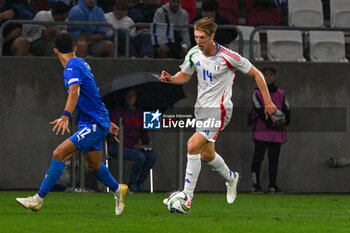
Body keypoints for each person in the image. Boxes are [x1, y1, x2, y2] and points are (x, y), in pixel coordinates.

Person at [161, 17, 277, 205]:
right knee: (206, 155)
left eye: (202, 38)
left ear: (212, 36)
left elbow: (257, 73)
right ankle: (231, 178)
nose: (198, 41)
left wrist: (268, 101)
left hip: (220, 110)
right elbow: (185, 75)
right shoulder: (193, 53)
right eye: (196, 37)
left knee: (192, 145)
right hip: (201, 109)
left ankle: (186, 197)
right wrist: (171, 79)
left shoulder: (228, 57)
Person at [16, 33, 128, 216]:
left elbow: (75, 92)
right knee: (93, 165)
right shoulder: (82, 63)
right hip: (94, 121)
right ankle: (118, 189)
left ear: (55, 51)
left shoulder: (71, 67)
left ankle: (37, 200)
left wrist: (65, 115)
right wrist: (106, 122)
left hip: (92, 124)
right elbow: (93, 95)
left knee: (59, 153)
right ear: (75, 48)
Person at [108, 88, 157, 192]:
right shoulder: (117, 112)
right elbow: (114, 134)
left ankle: (140, 182)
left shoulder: (139, 112)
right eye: (128, 96)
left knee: (152, 155)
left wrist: (147, 143)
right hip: (116, 145)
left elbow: (143, 131)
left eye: (132, 96)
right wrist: (132, 145)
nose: (130, 99)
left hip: (134, 147)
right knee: (140, 157)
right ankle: (132, 184)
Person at [251, 67, 290, 193]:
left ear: (275, 76)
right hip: (261, 132)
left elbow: (287, 110)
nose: (268, 77)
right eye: (265, 75)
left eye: (270, 75)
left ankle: (273, 185)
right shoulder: (257, 93)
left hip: (276, 134)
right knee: (258, 159)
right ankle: (255, 185)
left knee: (273, 160)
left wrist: (284, 121)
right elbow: (258, 112)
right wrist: (272, 122)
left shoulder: (281, 94)